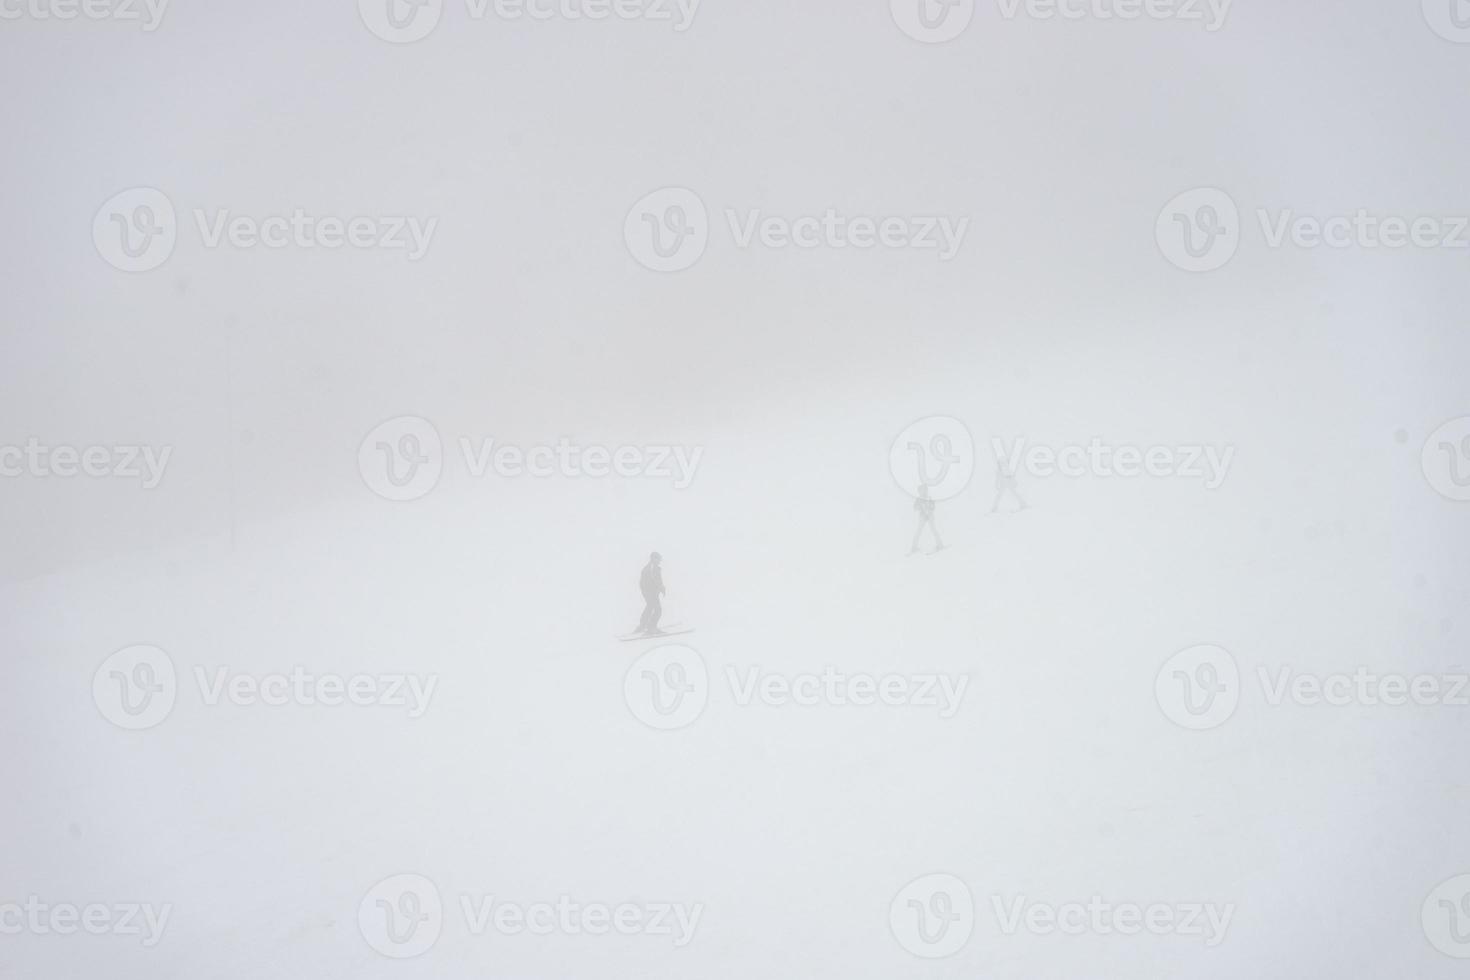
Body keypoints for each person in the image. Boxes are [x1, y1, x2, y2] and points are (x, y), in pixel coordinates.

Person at [637, 552, 667, 635]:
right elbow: (653, 581)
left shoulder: (652, 568)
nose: (660, 561)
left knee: (650, 607)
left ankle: (642, 626)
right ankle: (651, 628)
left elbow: (657, 581)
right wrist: (660, 588)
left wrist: (661, 588)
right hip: (651, 593)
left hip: (651, 593)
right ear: (653, 558)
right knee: (658, 610)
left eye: (660, 559)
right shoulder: (651, 568)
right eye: (658, 559)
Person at [909, 485, 944, 555]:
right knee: (919, 531)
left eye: (924, 490)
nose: (923, 492)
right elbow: (915, 507)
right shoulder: (919, 499)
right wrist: (920, 507)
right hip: (923, 516)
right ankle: (913, 547)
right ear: (919, 492)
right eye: (921, 490)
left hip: (930, 516)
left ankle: (940, 545)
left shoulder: (929, 498)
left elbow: (933, 506)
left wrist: (930, 508)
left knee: (934, 530)